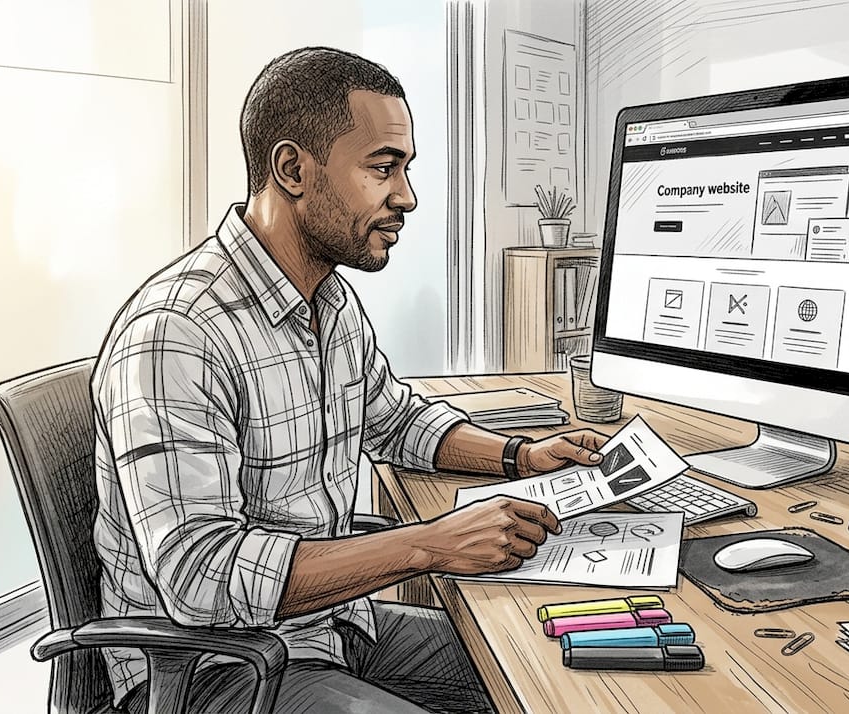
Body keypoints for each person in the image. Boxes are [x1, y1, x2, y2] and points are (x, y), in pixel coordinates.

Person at [91, 46, 608, 714]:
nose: (407, 196)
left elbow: (394, 420)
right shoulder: (178, 331)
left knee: (553, 669)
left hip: (330, 628)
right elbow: (199, 577)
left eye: (405, 169)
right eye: (383, 168)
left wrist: (520, 456)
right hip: (213, 670)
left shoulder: (329, 300)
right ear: (293, 170)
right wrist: (429, 545)